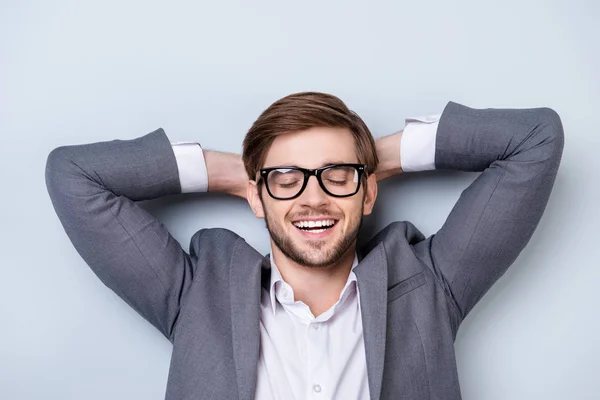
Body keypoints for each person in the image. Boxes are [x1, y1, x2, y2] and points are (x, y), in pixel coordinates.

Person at [45, 92, 564, 400]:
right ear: (256, 195)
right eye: (287, 179)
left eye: (335, 176)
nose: (313, 198)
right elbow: (74, 175)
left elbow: (537, 138)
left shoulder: (430, 285)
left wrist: (370, 160)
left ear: (368, 191)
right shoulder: (195, 295)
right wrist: (239, 174)